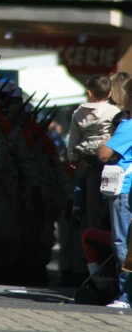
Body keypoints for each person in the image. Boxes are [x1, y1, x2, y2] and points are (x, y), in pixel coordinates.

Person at [67, 74, 119, 228]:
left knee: (80, 183)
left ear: (89, 92)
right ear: (109, 94)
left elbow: (73, 139)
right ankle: (104, 209)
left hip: (86, 158)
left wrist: (72, 158)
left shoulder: (78, 113)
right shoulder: (114, 112)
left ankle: (77, 207)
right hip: (107, 158)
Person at [98, 94, 132, 308]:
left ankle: (126, 294)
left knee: (123, 242)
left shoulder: (128, 126)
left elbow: (104, 153)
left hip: (125, 188)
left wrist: (104, 140)